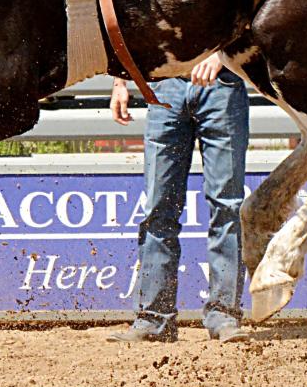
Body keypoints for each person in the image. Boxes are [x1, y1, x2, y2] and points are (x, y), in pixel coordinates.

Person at [107, 53, 250, 343]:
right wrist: (120, 80)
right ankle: (153, 319)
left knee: (226, 206)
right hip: (166, 86)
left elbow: (250, 12)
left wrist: (222, 55)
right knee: (160, 206)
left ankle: (223, 315)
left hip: (221, 83)